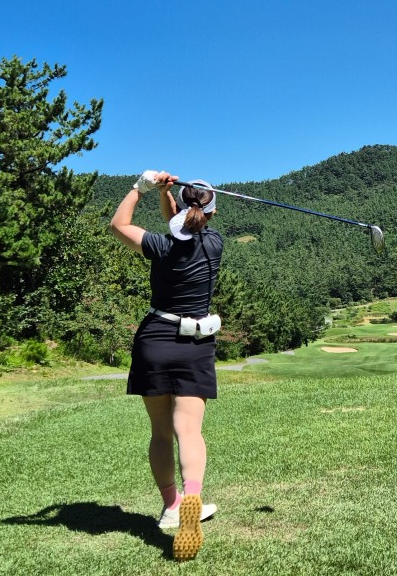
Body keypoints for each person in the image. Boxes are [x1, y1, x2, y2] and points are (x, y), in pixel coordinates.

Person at [109, 170, 224, 561]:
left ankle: (172, 506)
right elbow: (182, 222)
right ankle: (194, 494)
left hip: (155, 340)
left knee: (160, 433)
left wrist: (143, 187)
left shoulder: (159, 245)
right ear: (210, 213)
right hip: (195, 344)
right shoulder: (214, 244)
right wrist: (168, 193)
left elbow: (118, 225)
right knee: (188, 429)